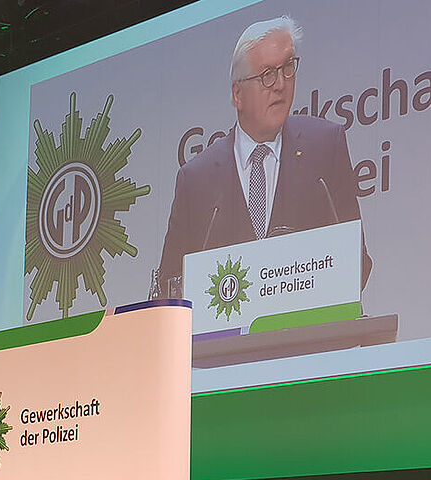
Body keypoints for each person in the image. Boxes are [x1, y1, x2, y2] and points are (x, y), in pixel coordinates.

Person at [155, 16, 372, 298]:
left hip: (315, 338)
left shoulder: (325, 146)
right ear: (238, 94)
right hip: (225, 341)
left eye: (288, 68)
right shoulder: (196, 178)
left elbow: (358, 261)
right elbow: (171, 287)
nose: (281, 84)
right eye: (267, 74)